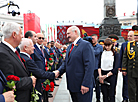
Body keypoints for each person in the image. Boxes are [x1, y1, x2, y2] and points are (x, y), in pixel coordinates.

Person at [55, 26, 95, 102]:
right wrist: (58, 71)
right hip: (73, 85)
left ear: (75, 32)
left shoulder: (85, 45)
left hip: (82, 86)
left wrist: (86, 84)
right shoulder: (70, 46)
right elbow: (66, 62)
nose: (67, 36)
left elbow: (89, 66)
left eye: (68, 33)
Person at [0, 22, 36, 102]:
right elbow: (9, 83)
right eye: (21, 33)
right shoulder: (2, 53)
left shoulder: (12, 51)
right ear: (14, 35)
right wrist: (30, 80)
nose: (22, 36)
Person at [98, 38, 119, 102]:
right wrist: (100, 76)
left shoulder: (115, 54)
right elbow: (99, 65)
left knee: (111, 94)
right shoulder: (102, 53)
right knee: (104, 94)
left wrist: (106, 76)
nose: (107, 47)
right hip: (102, 73)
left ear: (112, 45)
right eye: (106, 45)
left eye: (108, 45)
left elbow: (115, 68)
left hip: (111, 74)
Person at [122, 25, 138, 102]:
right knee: (131, 89)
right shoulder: (129, 45)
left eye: (137, 35)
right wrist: (124, 68)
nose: (136, 37)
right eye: (135, 35)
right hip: (131, 71)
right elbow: (125, 57)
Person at [118, 31, 134, 102]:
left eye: (130, 36)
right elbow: (121, 56)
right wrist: (121, 67)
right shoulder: (124, 44)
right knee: (125, 84)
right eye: (128, 36)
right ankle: (125, 98)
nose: (129, 37)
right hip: (126, 68)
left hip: (134, 68)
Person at [91, 34, 103, 102]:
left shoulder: (99, 47)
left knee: (97, 85)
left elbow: (96, 53)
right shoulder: (89, 46)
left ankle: (98, 99)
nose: (92, 40)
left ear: (97, 38)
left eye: (93, 38)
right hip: (90, 68)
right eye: (91, 39)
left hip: (96, 68)